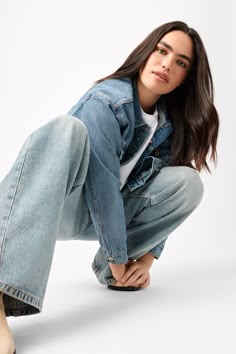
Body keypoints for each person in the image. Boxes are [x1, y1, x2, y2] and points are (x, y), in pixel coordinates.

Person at [0, 20, 219, 354]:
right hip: (48, 202)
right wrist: (121, 260)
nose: (166, 64)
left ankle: (113, 274)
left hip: (95, 220)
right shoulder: (106, 100)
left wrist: (143, 261)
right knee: (66, 129)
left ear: (184, 78)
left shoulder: (166, 125)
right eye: (162, 51)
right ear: (147, 52)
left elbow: (145, 192)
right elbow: (102, 186)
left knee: (188, 183)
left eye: (180, 63)